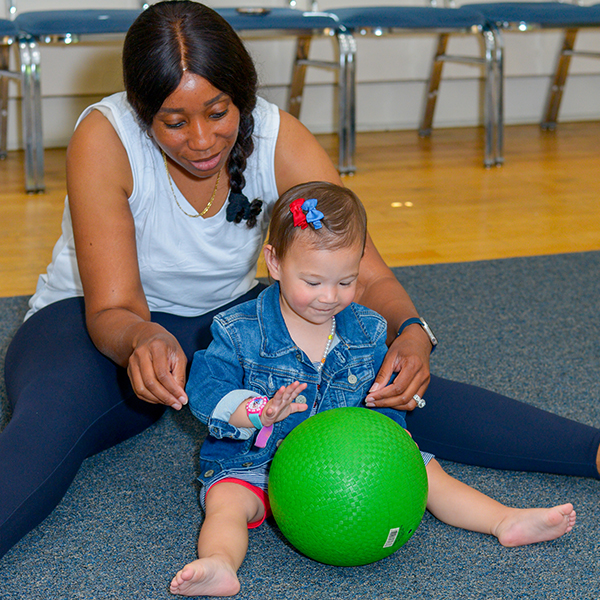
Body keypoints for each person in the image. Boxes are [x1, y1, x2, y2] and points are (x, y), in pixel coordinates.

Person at [0, 0, 597, 561]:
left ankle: (590, 450)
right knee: (52, 418)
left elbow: (365, 271)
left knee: (384, 387)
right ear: (140, 109)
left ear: (242, 97)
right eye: (174, 122)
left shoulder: (279, 135)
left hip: (231, 321)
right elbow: (114, 308)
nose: (203, 140)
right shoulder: (105, 136)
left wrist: (412, 333)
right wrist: (139, 340)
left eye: (218, 112)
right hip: (99, 323)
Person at [170, 182, 576, 597]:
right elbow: (206, 390)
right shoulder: (239, 330)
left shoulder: (366, 330)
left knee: (426, 471)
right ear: (273, 262)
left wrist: (390, 434)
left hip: (352, 462)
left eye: (345, 282)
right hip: (252, 459)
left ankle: (502, 520)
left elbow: (376, 397)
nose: (329, 297)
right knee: (227, 504)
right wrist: (256, 410)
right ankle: (220, 562)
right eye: (312, 282)